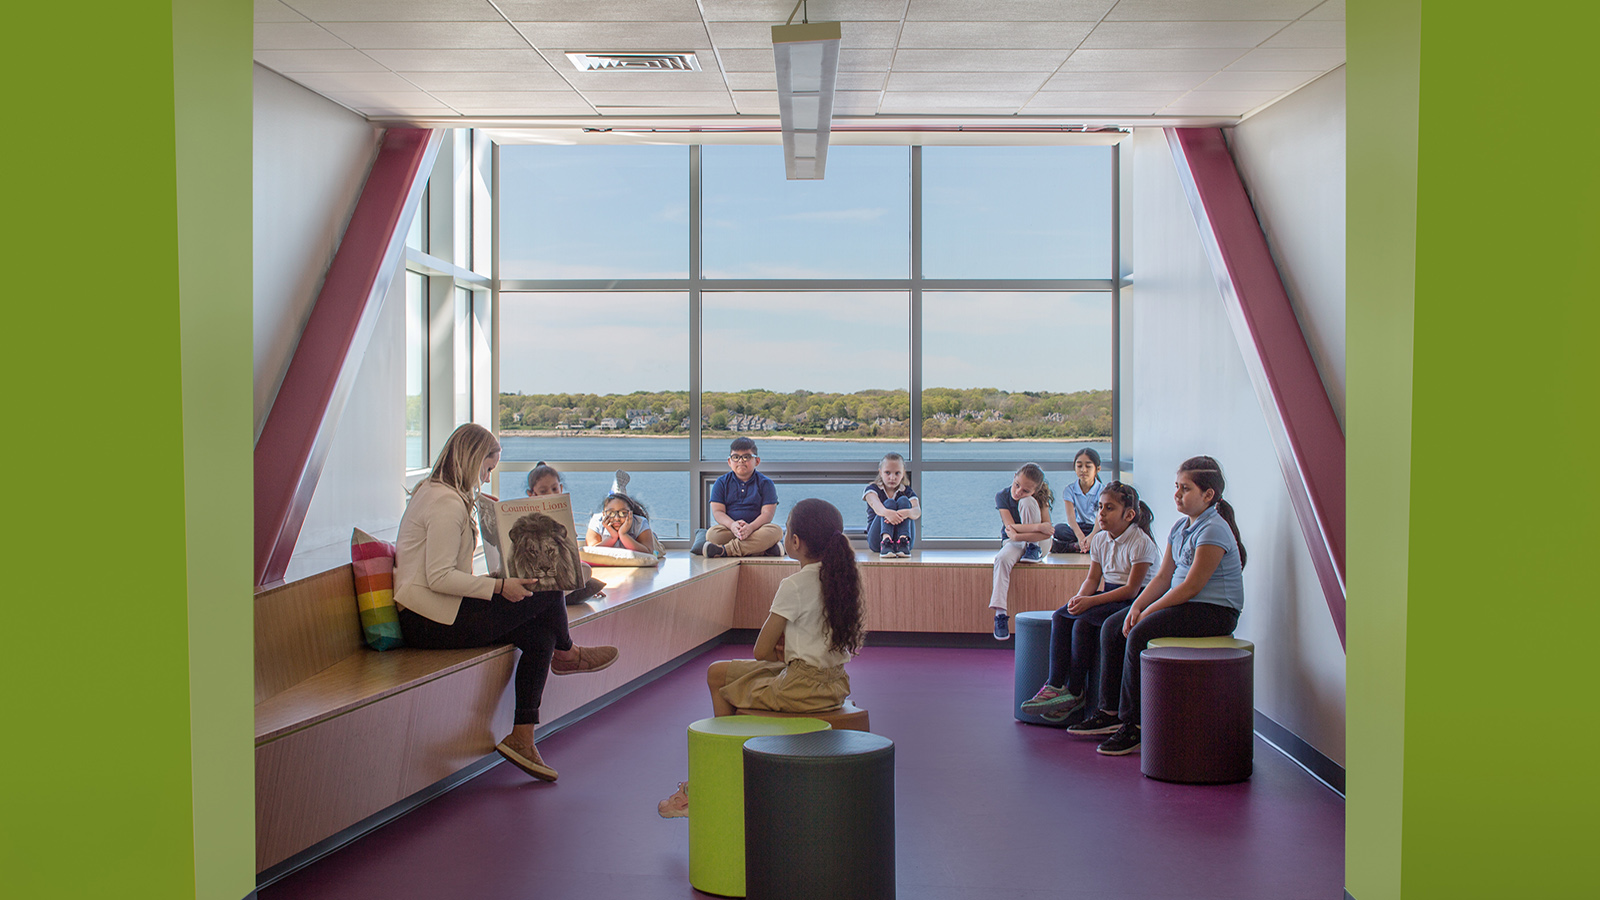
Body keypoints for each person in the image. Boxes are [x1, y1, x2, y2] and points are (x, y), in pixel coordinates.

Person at [395, 425, 620, 782]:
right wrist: (500, 588)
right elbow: (438, 578)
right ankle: (568, 653)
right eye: (487, 468)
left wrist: (496, 582)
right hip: (428, 621)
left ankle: (523, 736)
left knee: (539, 635)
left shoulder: (437, 493)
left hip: (436, 610)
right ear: (471, 461)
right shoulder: (445, 504)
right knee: (547, 587)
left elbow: (441, 575)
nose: (487, 477)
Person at [659, 498, 866, 818]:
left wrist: (780, 657)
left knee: (719, 678)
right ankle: (723, 771)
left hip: (800, 687)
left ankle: (717, 775)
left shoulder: (795, 584)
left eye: (785, 530)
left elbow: (761, 651)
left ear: (795, 542)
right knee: (726, 673)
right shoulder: (847, 579)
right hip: (836, 684)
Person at [1070, 456, 1248, 756]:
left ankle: (1135, 725)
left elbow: (1191, 586)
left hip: (1215, 612)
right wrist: (1137, 606)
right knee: (1114, 626)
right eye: (1177, 487)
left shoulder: (1214, 530)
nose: (1178, 494)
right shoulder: (1181, 527)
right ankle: (1109, 713)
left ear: (1208, 495)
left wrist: (1147, 612)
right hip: (1186, 605)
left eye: (1186, 489)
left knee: (1139, 633)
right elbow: (1164, 576)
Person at [1020, 482, 1159, 723]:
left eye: (1109, 508)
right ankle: (1054, 685)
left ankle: (1075, 691)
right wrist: (1080, 598)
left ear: (1129, 515)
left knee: (1084, 623)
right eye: (1100, 507)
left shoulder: (1141, 542)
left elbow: (1131, 590)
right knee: (1061, 616)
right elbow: (1093, 579)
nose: (1101, 514)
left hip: (1133, 599)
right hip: (1109, 593)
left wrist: (1090, 604)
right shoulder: (1100, 540)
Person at [988, 463, 1055, 641]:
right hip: (1015, 541)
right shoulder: (1002, 496)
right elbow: (1009, 527)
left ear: (1035, 490)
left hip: (1040, 543)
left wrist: (1021, 535)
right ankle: (1000, 615)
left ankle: (1033, 549)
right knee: (1001, 559)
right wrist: (1036, 528)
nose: (1018, 492)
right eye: (1017, 485)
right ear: (1014, 476)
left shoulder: (1039, 498)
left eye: (1025, 490)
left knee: (1027, 503)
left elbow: (1047, 531)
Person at [526, 461, 606, 604]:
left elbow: (572, 555)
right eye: (543, 491)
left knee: (585, 570)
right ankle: (548, 599)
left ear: (561, 488)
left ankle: (551, 599)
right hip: (535, 570)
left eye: (555, 489)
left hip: (558, 571)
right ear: (531, 494)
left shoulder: (564, 515)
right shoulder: (528, 518)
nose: (550, 494)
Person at [702, 437, 782, 557]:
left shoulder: (766, 483)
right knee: (713, 534)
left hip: (757, 529)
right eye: (736, 457)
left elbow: (767, 514)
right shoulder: (721, 482)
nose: (741, 461)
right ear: (729, 461)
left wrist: (750, 528)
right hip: (731, 530)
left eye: (746, 457)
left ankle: (724, 551)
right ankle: (762, 550)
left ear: (757, 461)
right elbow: (718, 512)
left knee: (775, 531)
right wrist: (733, 525)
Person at [863, 452, 920, 558]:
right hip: (877, 541)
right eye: (887, 473)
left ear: (903, 473)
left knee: (904, 500)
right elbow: (876, 506)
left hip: (902, 544)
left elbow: (917, 511)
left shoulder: (907, 491)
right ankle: (886, 541)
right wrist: (889, 514)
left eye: (897, 473)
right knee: (889, 503)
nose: (892, 477)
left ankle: (903, 541)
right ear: (880, 472)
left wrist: (907, 513)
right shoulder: (872, 489)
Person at [1052, 448, 1104, 554]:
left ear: (1098, 469)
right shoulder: (1069, 490)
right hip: (1077, 528)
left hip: (1096, 528)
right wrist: (1080, 536)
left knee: (1107, 533)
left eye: (1088, 466)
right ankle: (1086, 545)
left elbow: (1100, 517)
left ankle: (1074, 547)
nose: (1083, 470)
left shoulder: (1103, 491)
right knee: (1058, 530)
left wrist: (1091, 536)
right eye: (1079, 466)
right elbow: (1071, 519)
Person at [585, 491, 661, 556]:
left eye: (623, 513)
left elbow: (648, 552)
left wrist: (623, 535)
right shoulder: (597, 520)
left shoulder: (640, 522)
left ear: (631, 513)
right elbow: (591, 551)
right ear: (603, 514)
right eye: (611, 513)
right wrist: (612, 537)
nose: (617, 518)